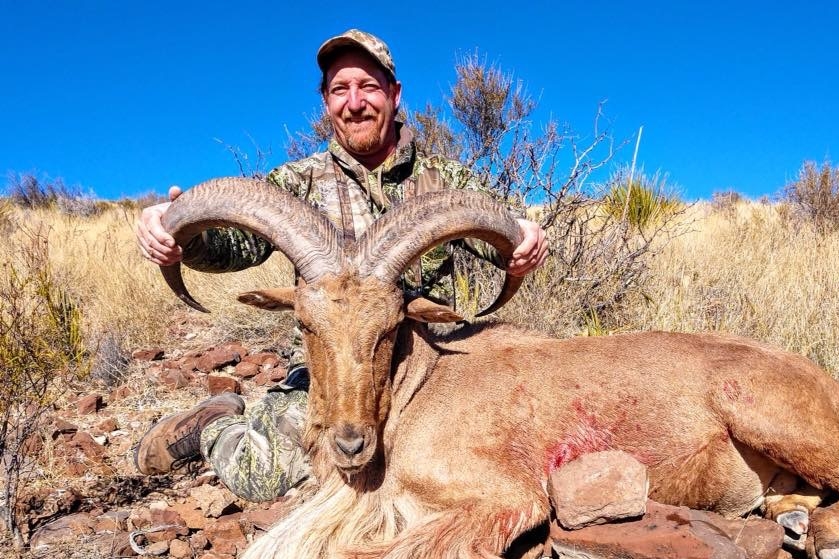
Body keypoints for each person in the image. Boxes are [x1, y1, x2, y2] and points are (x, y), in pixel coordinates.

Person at [133, 29, 547, 501]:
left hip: (428, 366)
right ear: (326, 102)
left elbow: (501, 238)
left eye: (368, 87)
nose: (354, 103)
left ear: (394, 94)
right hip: (328, 373)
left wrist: (524, 240)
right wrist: (178, 237)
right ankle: (215, 421)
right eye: (339, 90)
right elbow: (231, 244)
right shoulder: (296, 183)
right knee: (264, 476)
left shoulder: (442, 181)